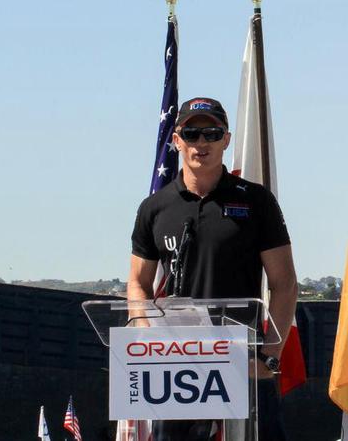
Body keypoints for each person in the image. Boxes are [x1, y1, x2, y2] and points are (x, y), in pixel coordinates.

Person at [128, 97, 298, 441]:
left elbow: (284, 284)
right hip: (179, 363)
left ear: (227, 140)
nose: (201, 143)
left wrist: (270, 357)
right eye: (191, 133)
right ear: (176, 140)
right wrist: (148, 338)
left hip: (244, 361)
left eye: (211, 133)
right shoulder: (154, 208)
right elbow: (137, 283)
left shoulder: (255, 201)